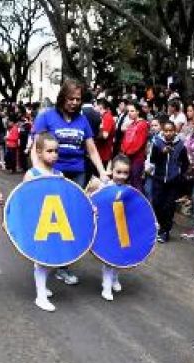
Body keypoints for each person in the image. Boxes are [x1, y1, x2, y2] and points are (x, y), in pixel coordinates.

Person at [31, 79, 110, 286]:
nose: (75, 103)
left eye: (78, 99)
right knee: (49, 217)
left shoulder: (82, 120)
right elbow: (35, 147)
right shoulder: (46, 116)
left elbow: (91, 149)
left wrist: (102, 173)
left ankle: (63, 265)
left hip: (77, 173)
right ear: (62, 98)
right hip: (51, 172)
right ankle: (42, 260)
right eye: (71, 99)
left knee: (70, 219)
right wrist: (38, 171)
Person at [23, 132, 63, 311]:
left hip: (55, 222)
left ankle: (43, 286)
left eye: (56, 151)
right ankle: (40, 296)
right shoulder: (31, 174)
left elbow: (65, 199)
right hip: (39, 222)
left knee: (52, 257)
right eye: (49, 151)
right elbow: (22, 201)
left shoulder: (59, 174)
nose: (54, 154)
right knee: (41, 259)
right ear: (39, 152)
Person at [89, 154, 132, 301]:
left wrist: (151, 223)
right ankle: (106, 286)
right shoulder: (104, 186)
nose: (121, 176)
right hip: (107, 228)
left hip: (121, 229)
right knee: (108, 258)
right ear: (111, 171)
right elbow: (90, 199)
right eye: (118, 172)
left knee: (119, 255)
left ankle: (114, 278)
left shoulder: (129, 190)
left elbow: (137, 210)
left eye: (125, 172)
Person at [149, 120, 189, 243]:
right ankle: (158, 227)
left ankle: (165, 231)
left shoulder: (180, 145)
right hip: (159, 179)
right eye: (165, 131)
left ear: (175, 132)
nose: (168, 133)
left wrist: (179, 174)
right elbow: (152, 159)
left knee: (169, 207)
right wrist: (162, 152)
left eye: (170, 131)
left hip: (173, 182)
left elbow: (185, 163)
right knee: (157, 204)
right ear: (162, 131)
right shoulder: (157, 143)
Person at [120, 102, 149, 192]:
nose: (129, 113)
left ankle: (140, 203)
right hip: (129, 157)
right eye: (128, 111)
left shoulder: (142, 124)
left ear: (138, 112)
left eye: (132, 111)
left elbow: (138, 143)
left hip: (136, 159)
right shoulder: (132, 124)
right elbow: (125, 140)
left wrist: (126, 153)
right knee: (132, 181)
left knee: (136, 182)